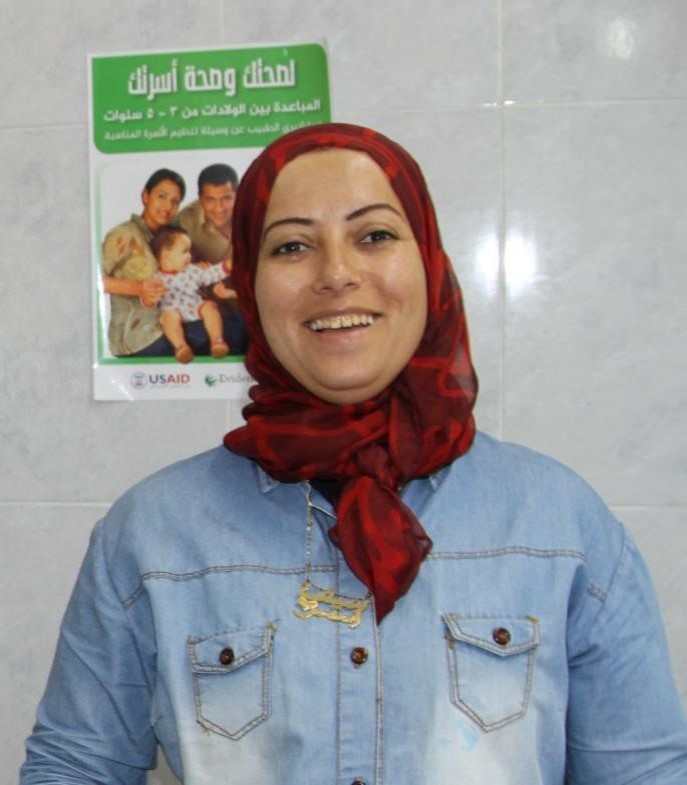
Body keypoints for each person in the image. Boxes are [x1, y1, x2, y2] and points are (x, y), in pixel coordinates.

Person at [22, 124, 687, 783]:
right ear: (249, 281)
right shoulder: (149, 536)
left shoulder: (561, 526)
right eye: (291, 246)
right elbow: (73, 768)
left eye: (373, 235)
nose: (336, 273)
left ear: (428, 261)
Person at [101, 168, 185, 357]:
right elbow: (93, 280)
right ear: (145, 196)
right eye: (161, 196)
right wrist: (138, 288)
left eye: (175, 201)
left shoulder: (170, 238)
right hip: (139, 340)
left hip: (170, 328)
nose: (167, 206)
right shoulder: (124, 234)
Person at [151, 226, 235, 363]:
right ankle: (181, 346)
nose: (189, 256)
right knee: (168, 317)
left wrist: (227, 266)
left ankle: (217, 341)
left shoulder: (191, 270)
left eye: (189, 251)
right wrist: (150, 299)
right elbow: (149, 298)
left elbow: (209, 275)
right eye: (185, 252)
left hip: (196, 307)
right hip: (175, 311)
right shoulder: (156, 279)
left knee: (210, 306)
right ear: (167, 256)